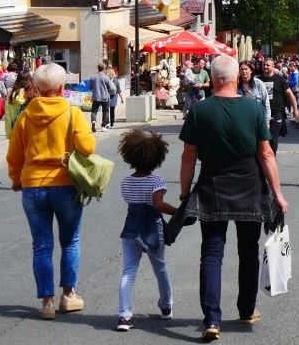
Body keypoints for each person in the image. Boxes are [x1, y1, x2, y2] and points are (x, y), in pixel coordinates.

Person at [177, 54, 288, 341]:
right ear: (237, 78)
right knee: (248, 250)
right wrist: (277, 193)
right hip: (250, 186)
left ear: (212, 79)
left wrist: (184, 191)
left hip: (212, 185)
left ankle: (212, 320)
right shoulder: (252, 109)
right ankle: (247, 310)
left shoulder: (199, 111)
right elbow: (266, 154)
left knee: (212, 252)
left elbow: (188, 157)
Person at [6, 63, 95, 320]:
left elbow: (14, 154)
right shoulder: (72, 113)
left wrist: (15, 178)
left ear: (38, 88)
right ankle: (69, 295)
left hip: (33, 184)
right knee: (70, 241)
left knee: (41, 245)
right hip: (65, 182)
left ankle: (47, 302)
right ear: (61, 86)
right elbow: (87, 148)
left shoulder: (25, 115)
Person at [116, 129, 178, 332]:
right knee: (160, 267)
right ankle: (166, 306)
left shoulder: (126, 181)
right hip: (153, 227)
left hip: (131, 227)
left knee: (128, 271)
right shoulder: (156, 181)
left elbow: (130, 201)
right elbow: (158, 204)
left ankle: (124, 315)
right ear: (157, 158)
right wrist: (178, 212)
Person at [257, 58, 299, 156]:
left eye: (268, 65)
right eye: (264, 65)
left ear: (273, 67)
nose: (265, 67)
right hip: (261, 112)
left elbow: (289, 94)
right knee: (261, 137)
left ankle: (272, 157)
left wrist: (295, 109)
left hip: (276, 112)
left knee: (273, 137)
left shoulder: (279, 79)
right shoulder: (258, 80)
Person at [4, 71, 38, 140]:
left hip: (17, 129)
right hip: (32, 130)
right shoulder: (35, 95)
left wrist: (9, 133)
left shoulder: (11, 95)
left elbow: (8, 116)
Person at [237, 62, 271, 127]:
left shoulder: (259, 84)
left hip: (257, 119)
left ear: (251, 71)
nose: (244, 71)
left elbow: (266, 103)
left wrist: (267, 121)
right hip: (241, 120)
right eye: (241, 69)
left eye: (246, 69)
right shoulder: (235, 85)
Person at [88, 64, 114, 132]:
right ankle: (103, 126)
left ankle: (93, 121)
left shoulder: (93, 77)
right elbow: (111, 88)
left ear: (98, 68)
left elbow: (90, 87)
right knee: (105, 111)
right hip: (105, 97)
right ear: (104, 69)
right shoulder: (106, 77)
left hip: (96, 97)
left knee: (94, 110)